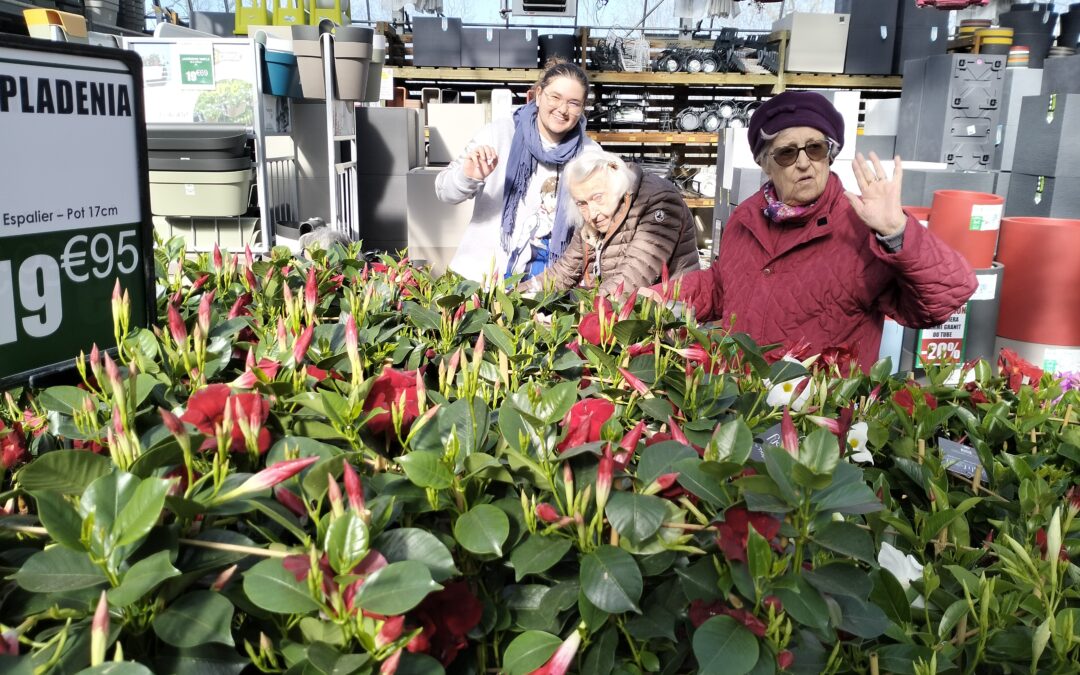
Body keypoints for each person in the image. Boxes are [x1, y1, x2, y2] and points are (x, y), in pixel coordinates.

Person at [645, 90, 977, 371]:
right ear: (765, 164)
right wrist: (658, 298)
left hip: (818, 419)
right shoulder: (746, 218)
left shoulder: (861, 225)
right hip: (747, 402)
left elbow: (947, 296)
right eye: (787, 153)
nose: (804, 162)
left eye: (814, 148)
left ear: (829, 155)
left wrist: (898, 231)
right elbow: (721, 285)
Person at [435, 59, 597, 283]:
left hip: (550, 286)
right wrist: (468, 177)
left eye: (573, 103)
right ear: (538, 95)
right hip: (480, 279)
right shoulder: (499, 134)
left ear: (582, 107)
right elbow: (444, 192)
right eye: (555, 97)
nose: (562, 109)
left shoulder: (590, 155)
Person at [522, 148, 700, 295]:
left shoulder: (659, 200)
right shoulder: (595, 217)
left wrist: (589, 311)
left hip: (668, 317)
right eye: (581, 203)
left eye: (598, 197)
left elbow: (633, 276)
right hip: (619, 312)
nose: (592, 213)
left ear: (618, 185)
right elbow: (563, 272)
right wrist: (512, 294)